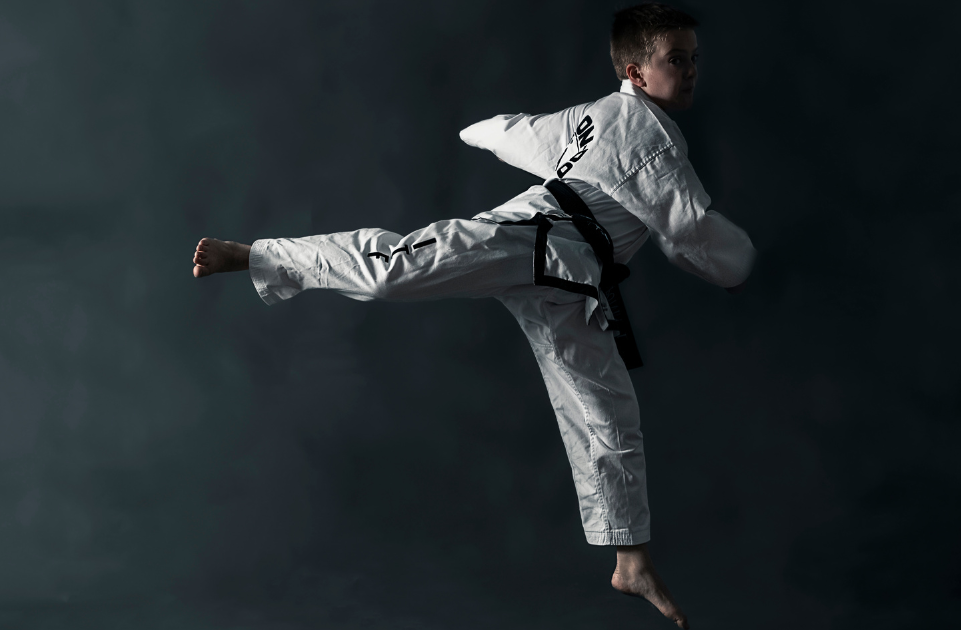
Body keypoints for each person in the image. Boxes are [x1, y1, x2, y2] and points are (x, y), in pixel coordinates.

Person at [191, 4, 754, 627]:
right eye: (676, 59)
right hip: (525, 237)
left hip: (571, 282)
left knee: (608, 415)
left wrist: (478, 130)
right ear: (636, 71)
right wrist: (738, 268)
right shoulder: (647, 133)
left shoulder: (592, 119)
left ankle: (630, 559)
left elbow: (519, 130)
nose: (692, 70)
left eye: (695, 58)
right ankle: (258, 255)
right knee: (392, 272)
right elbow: (690, 230)